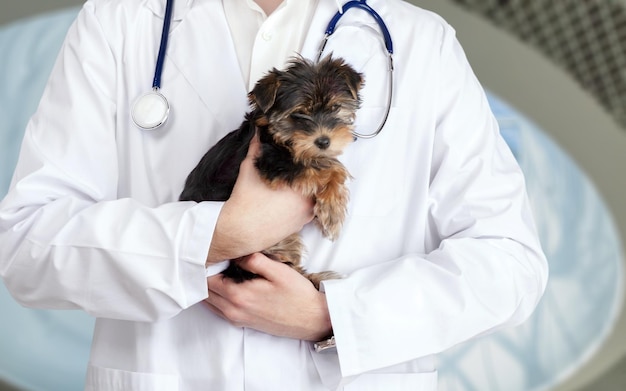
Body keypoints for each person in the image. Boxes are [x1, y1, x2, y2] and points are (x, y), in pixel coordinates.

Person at [0, 0, 548, 390]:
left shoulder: (420, 42)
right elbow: (26, 244)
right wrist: (216, 236)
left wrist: (337, 318)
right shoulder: (118, 21)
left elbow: (509, 262)